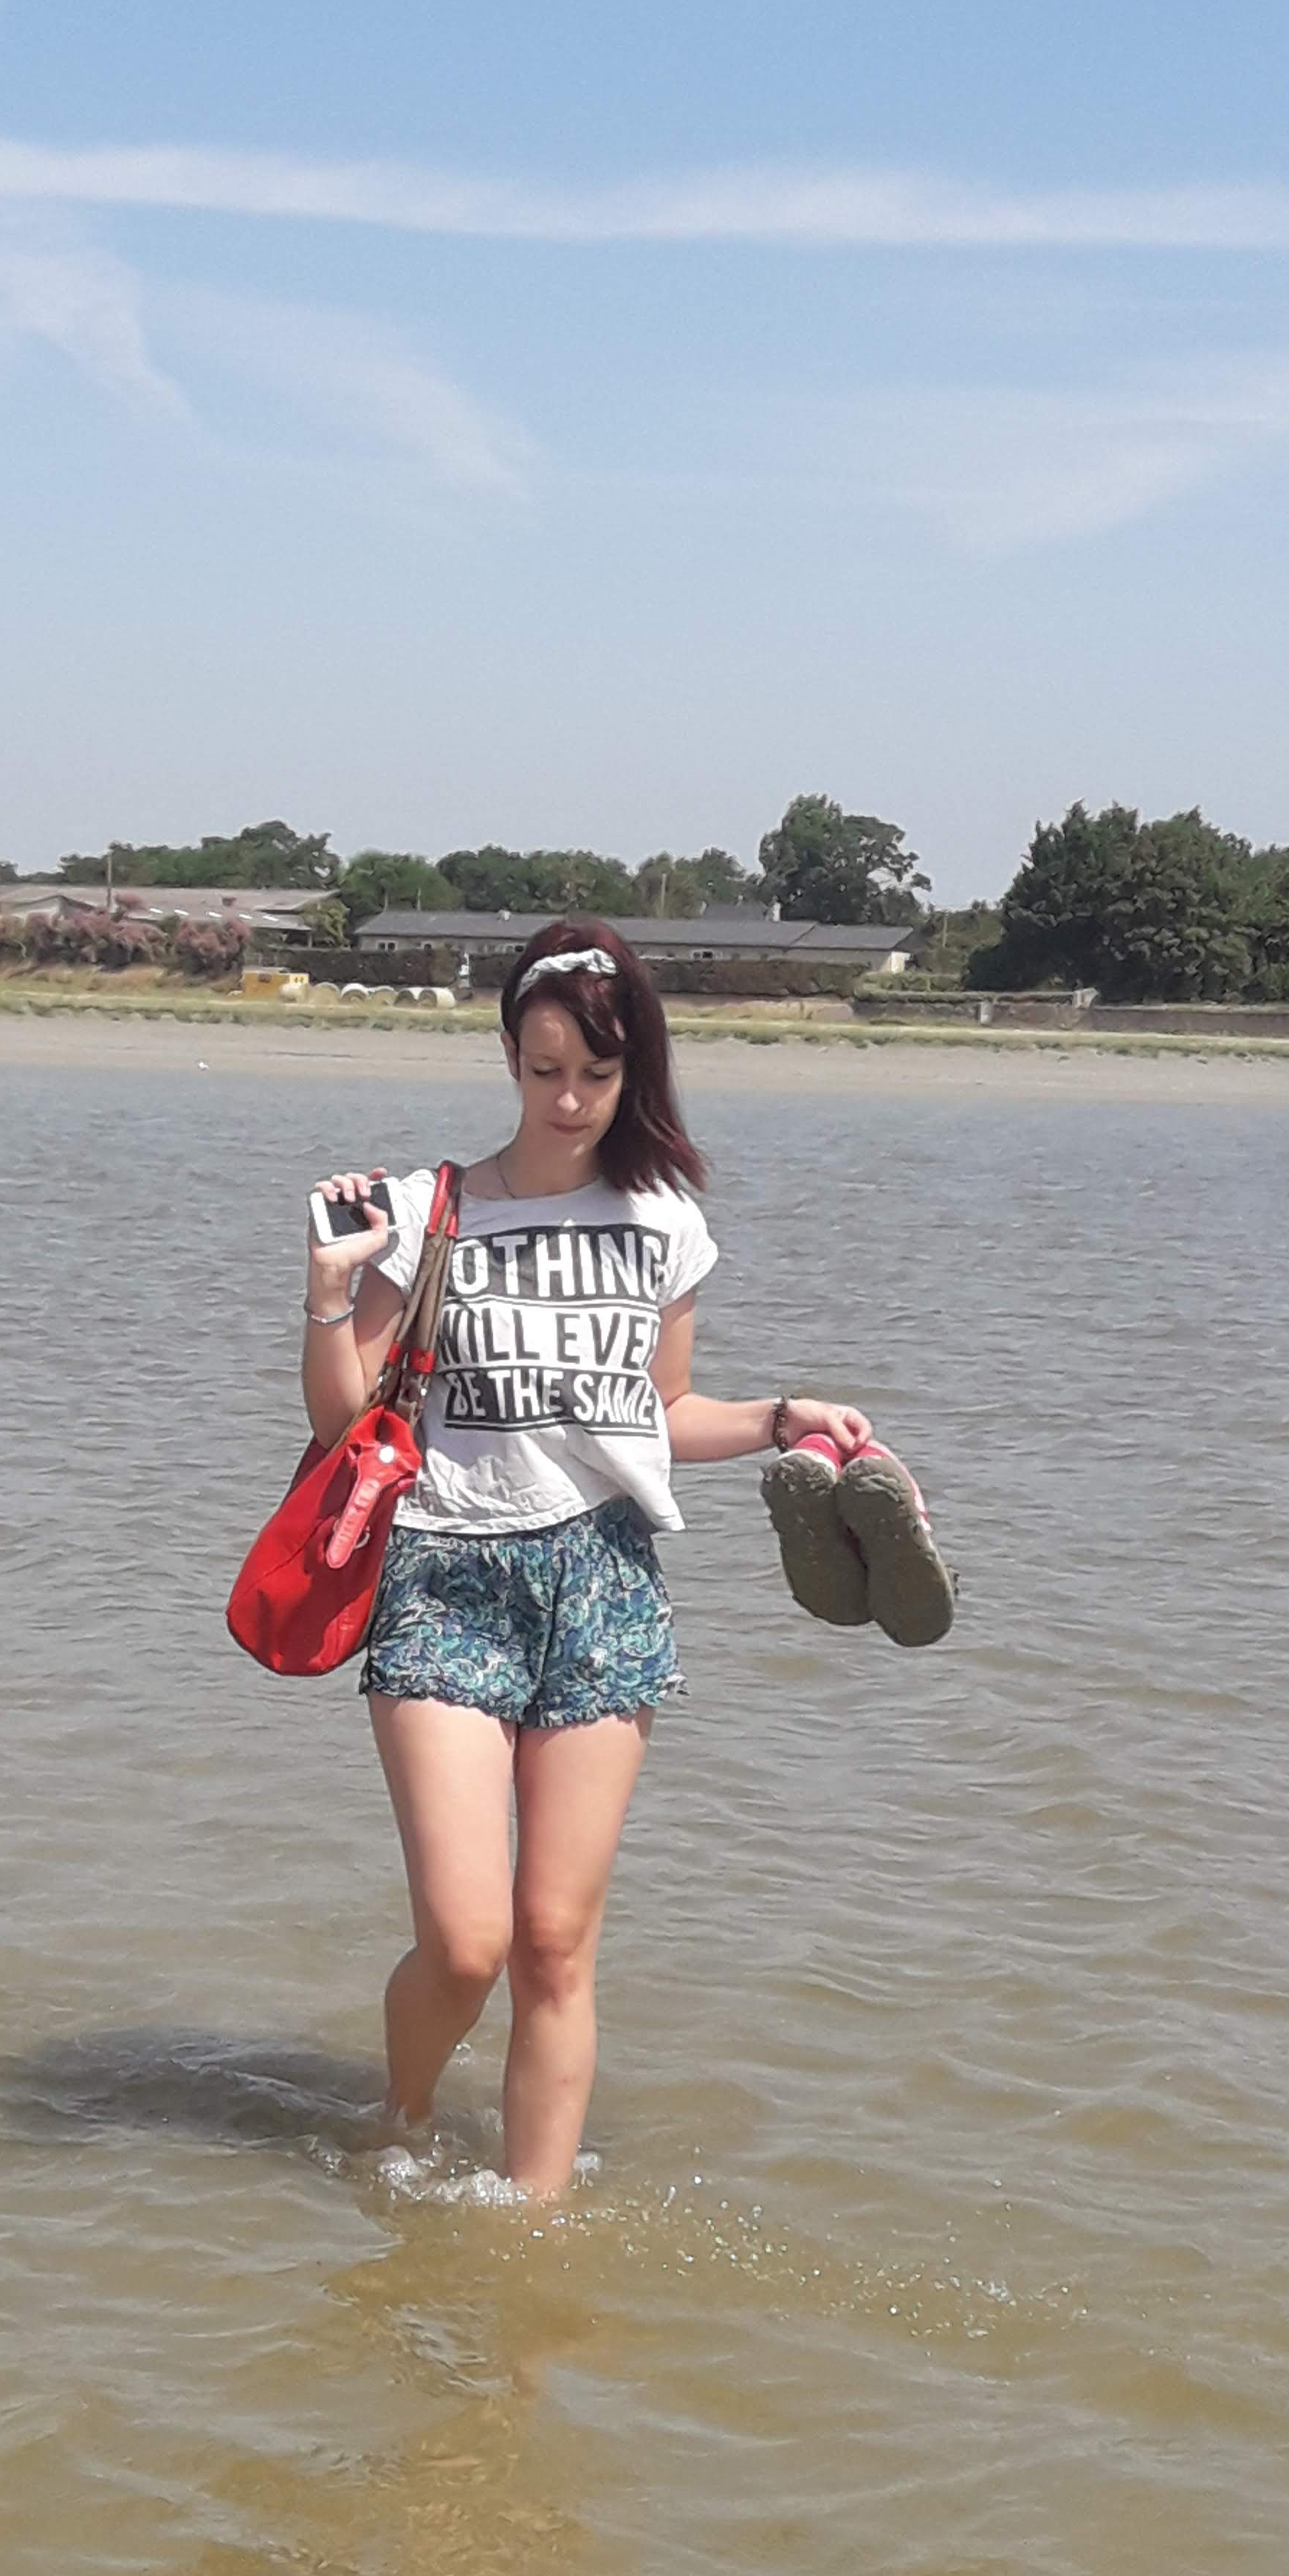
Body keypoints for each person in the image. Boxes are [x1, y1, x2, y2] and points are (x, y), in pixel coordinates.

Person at [299, 917, 873, 2198]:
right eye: (546, 1068)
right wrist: (332, 1289)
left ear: (633, 1072)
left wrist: (784, 1418)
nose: (569, 1099)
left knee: (555, 1942)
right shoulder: (428, 1211)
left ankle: (531, 2228)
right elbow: (342, 1424)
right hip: (445, 1576)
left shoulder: (662, 1222)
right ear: (510, 1055)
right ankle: (400, 2118)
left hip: (605, 1584)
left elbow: (661, 1416)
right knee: (468, 1942)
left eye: (597, 1075)